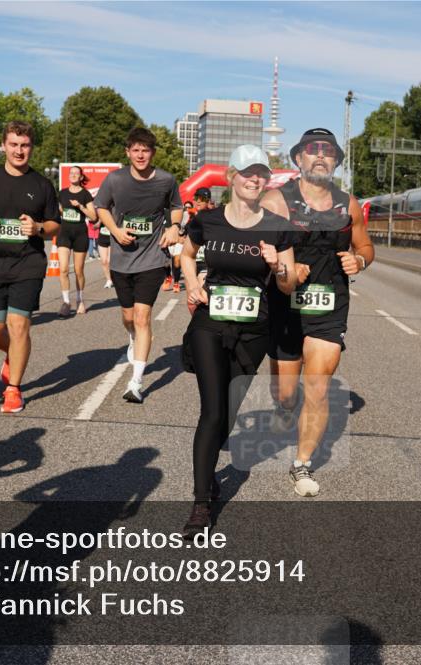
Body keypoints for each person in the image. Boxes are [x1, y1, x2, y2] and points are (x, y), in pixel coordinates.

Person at [179, 145, 296, 534]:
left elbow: (289, 284)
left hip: (253, 330)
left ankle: (208, 474)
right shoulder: (208, 220)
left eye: (261, 173)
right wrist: (191, 283)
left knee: (227, 414)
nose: (255, 179)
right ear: (231, 176)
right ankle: (200, 505)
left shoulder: (277, 227)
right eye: (248, 172)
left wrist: (277, 265)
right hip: (209, 324)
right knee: (212, 410)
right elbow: (186, 254)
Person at [261, 128, 374, 497]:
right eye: (313, 149)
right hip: (284, 304)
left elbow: (365, 246)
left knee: (318, 386)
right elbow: (260, 247)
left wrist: (359, 260)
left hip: (330, 305)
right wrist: (285, 268)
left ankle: (302, 463)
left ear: (336, 161)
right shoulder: (278, 200)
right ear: (299, 158)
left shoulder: (348, 204)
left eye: (328, 151)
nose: (321, 155)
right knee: (286, 394)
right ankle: (284, 408)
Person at [0, 120, 59, 413]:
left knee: (19, 326)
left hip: (28, 264)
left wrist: (38, 228)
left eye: (25, 145)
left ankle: (13, 389)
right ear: (4, 146)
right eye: (14, 145)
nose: (19, 151)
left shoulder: (42, 185)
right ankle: (15, 353)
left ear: (32, 147)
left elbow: (54, 225)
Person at [94, 127, 183, 403]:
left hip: (152, 258)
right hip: (122, 258)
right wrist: (115, 231)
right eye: (136, 150)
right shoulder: (115, 180)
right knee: (129, 317)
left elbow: (176, 206)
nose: (141, 155)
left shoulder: (166, 180)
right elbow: (101, 207)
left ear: (152, 152)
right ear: (128, 152)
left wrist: (174, 227)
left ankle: (136, 382)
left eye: (145, 150)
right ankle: (132, 336)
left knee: (143, 316)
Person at [56, 165, 97, 316]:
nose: (73, 175)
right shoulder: (62, 193)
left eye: (76, 173)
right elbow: (60, 211)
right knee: (64, 269)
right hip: (64, 234)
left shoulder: (85, 194)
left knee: (79, 270)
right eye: (71, 173)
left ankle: (80, 300)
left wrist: (80, 206)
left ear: (80, 177)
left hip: (80, 234)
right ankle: (66, 302)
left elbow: (93, 217)